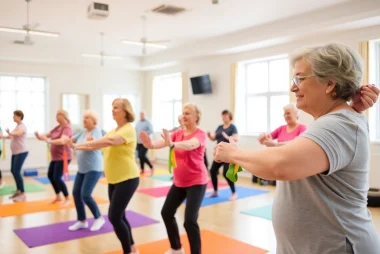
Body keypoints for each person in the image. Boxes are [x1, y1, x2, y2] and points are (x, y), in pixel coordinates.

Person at [214, 43, 380, 253]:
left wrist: (234, 154)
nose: (293, 87)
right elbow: (294, 153)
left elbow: (280, 165)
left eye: (300, 79)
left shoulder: (340, 123)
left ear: (329, 83)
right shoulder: (336, 121)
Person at [67, 98, 139, 254]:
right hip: (114, 180)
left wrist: (78, 145)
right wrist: (82, 144)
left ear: (125, 111)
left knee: (114, 217)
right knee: (121, 216)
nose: (112, 110)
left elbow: (108, 142)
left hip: (128, 178)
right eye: (112, 107)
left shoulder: (128, 129)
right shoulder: (114, 130)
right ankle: (133, 248)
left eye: (116, 108)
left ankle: (128, 251)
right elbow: (100, 144)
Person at [140, 103, 208, 254]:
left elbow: (191, 145)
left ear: (196, 117)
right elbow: (163, 143)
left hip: (197, 182)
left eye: (188, 113)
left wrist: (172, 144)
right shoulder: (178, 133)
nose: (184, 116)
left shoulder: (200, 134)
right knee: (166, 213)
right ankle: (176, 248)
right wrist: (150, 144)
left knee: (189, 220)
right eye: (183, 113)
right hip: (179, 182)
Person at [67, 110, 105, 232]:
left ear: (94, 120)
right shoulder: (83, 132)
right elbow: (71, 140)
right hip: (82, 169)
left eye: (87, 117)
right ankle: (82, 221)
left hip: (94, 168)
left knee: (85, 194)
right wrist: (67, 141)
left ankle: (99, 218)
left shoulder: (97, 132)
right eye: (84, 117)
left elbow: (93, 146)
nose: (84, 119)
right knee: (76, 193)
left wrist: (77, 145)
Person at [255, 104, 307, 185]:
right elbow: (267, 139)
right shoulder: (281, 128)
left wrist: (275, 145)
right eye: (284, 114)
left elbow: (297, 144)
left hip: (295, 167)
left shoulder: (302, 128)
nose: (286, 116)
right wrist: (262, 138)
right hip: (281, 165)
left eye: (288, 113)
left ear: (297, 114)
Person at [35, 109, 73, 206]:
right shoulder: (57, 128)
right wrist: (38, 136)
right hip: (55, 157)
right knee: (50, 175)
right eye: (56, 115)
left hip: (64, 156)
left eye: (58, 115)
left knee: (57, 177)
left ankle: (67, 198)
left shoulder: (67, 128)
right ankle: (58, 196)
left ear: (63, 116)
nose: (56, 117)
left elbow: (62, 141)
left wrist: (48, 141)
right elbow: (45, 135)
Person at [207, 110, 238, 200]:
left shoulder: (233, 127)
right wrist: (209, 135)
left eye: (226, 116)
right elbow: (214, 137)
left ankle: (234, 193)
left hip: (228, 154)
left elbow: (236, 139)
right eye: (223, 116)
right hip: (219, 153)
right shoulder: (220, 127)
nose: (224, 117)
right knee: (212, 171)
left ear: (230, 117)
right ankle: (215, 191)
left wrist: (227, 137)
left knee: (226, 173)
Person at [1, 110, 29, 202]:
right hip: (16, 152)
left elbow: (18, 133)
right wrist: (3, 136)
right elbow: (10, 136)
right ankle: (18, 190)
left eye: (14, 116)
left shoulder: (22, 126)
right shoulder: (16, 126)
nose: (13, 117)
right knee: (13, 170)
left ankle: (23, 194)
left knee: (16, 171)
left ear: (19, 116)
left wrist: (11, 133)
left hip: (21, 152)